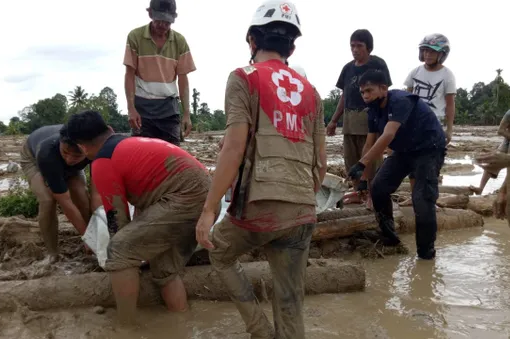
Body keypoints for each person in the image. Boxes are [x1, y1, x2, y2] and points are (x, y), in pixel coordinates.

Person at [195, 1, 327, 338]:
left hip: (260, 206)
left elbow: (234, 147)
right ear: (292, 47)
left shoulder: (243, 78)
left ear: (252, 40)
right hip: (302, 208)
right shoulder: (311, 92)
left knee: (220, 253)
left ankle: (258, 329)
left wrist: (209, 209)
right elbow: (320, 164)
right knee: (291, 302)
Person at [65, 110, 215, 325]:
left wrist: (117, 257)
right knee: (164, 270)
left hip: (185, 200)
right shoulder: (130, 143)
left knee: (118, 251)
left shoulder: (103, 160)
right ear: (109, 129)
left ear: (82, 146)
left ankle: (126, 327)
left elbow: (118, 221)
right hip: (206, 199)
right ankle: (182, 323)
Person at [347, 69, 446, 260]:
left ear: (383, 88)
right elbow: (369, 144)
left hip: (429, 149)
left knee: (422, 200)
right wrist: (363, 178)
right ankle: (389, 237)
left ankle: (426, 255)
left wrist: (361, 163)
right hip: (404, 151)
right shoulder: (373, 111)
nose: (365, 96)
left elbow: (388, 135)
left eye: (369, 90)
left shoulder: (400, 100)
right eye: (362, 92)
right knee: (378, 189)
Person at [326, 29, 392, 204]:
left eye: (359, 46)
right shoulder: (347, 68)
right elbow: (344, 96)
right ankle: (358, 192)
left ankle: (372, 193)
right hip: (350, 118)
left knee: (372, 156)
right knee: (351, 158)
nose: (355, 49)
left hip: (371, 116)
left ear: (368, 47)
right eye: (352, 46)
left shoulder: (378, 64)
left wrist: (386, 118)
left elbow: (385, 91)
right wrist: (333, 120)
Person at [19, 124, 99, 262]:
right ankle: (52, 253)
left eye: (76, 155)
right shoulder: (47, 153)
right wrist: (87, 237)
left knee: (81, 195)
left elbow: (97, 192)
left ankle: (94, 243)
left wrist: (95, 236)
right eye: (66, 152)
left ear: (87, 149)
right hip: (33, 158)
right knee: (47, 201)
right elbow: (65, 201)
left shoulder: (96, 149)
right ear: (60, 143)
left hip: (73, 162)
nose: (69, 159)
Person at [123, 0, 195, 146]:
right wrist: (131, 108)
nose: (162, 26)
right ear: (150, 13)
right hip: (142, 108)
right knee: (142, 155)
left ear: (174, 18)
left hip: (169, 108)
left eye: (167, 22)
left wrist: (186, 113)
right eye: (159, 21)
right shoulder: (135, 37)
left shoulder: (179, 42)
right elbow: (129, 74)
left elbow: (183, 79)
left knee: (172, 157)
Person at [403, 33, 455, 194]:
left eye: (432, 51)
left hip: (434, 126)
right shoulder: (415, 72)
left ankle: (429, 201)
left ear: (442, 54)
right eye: (425, 51)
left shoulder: (447, 75)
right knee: (413, 164)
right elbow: (407, 99)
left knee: (432, 166)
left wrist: (449, 129)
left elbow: (450, 104)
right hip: (414, 125)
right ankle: (414, 199)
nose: (428, 54)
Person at [471, 109, 510, 195]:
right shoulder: (509, 113)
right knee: (493, 164)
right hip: (508, 141)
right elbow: (500, 130)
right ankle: (480, 189)